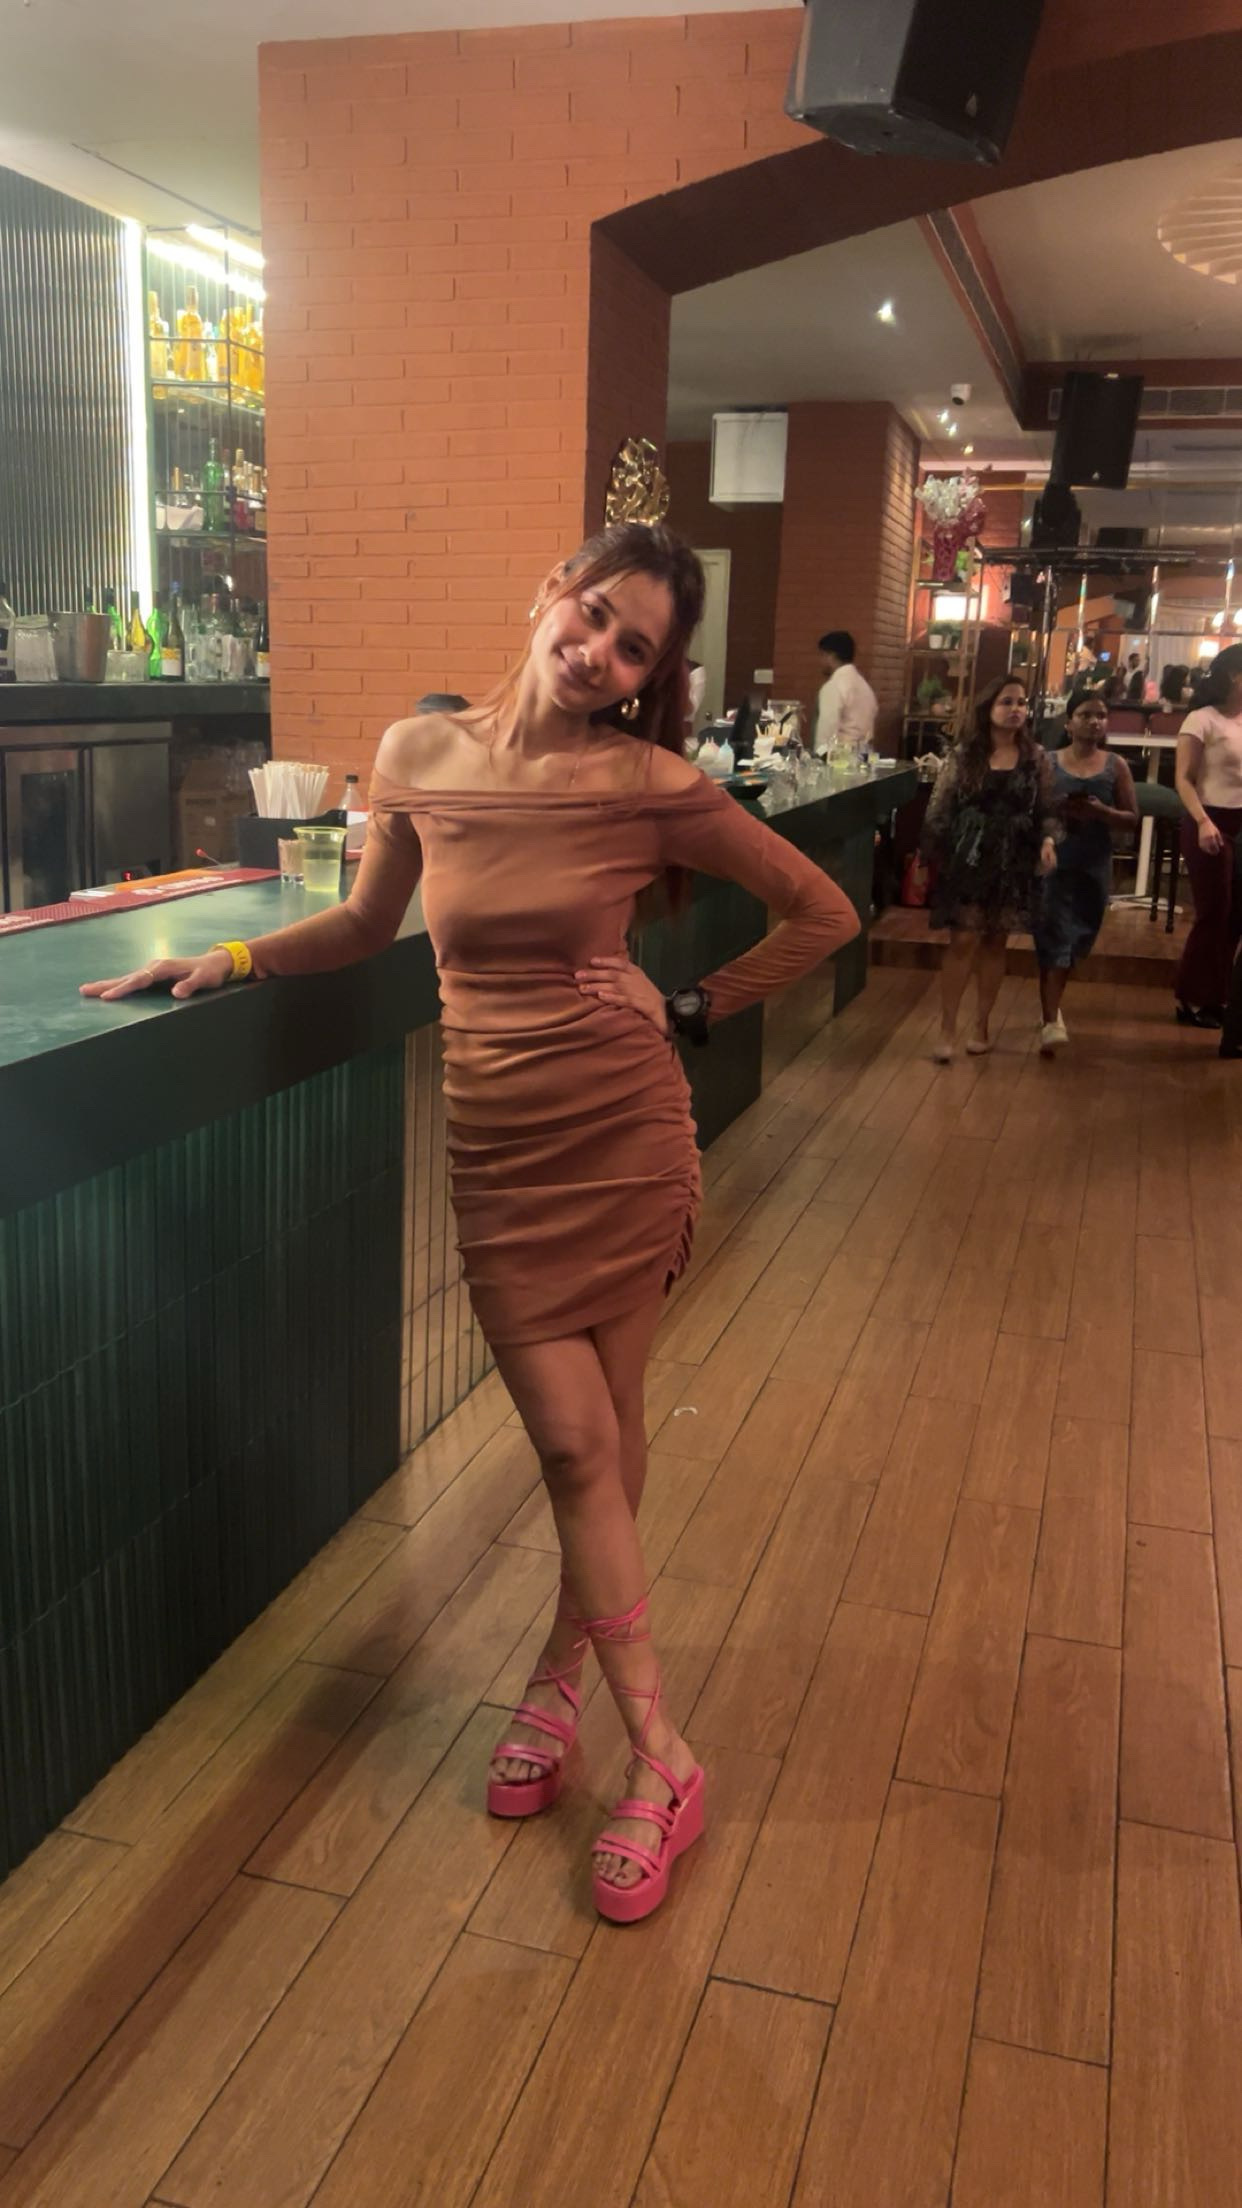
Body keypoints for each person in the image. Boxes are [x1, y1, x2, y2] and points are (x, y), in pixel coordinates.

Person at [80, 521, 859, 1924]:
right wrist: (233, 954)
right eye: (595, 614)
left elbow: (821, 913)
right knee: (581, 1446)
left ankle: (647, 1750)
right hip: (498, 1153)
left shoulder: (651, 783)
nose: (600, 652)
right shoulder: (418, 753)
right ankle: (579, 1698)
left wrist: (691, 1005)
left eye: (635, 648)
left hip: (623, 1138)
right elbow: (365, 926)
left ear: (652, 676)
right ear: (552, 592)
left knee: (591, 1445)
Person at [922, 675, 1059, 1063]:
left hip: (1014, 855)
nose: (1016, 709)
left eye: (1021, 702)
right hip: (969, 852)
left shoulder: (1036, 758)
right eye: (1006, 702)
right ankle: (947, 1027)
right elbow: (940, 807)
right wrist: (927, 856)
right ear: (988, 708)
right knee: (963, 939)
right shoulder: (964, 755)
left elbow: (1049, 807)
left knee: (997, 940)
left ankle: (982, 1024)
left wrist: (1049, 841)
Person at [1033, 688, 1137, 1053]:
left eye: (1101, 716)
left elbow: (1132, 818)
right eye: (1086, 715)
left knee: (1080, 937)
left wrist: (1102, 813)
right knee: (1054, 937)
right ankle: (1050, 1020)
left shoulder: (1115, 765)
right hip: (1054, 860)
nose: (1094, 722)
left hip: (1094, 861)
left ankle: (1051, 1008)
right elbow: (1033, 810)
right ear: (1069, 722)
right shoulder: (1047, 762)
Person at [1172, 641, 1242, 1027]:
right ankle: (1193, 997)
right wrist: (1202, 821)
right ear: (1233, 676)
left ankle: (1218, 995)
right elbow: (1183, 778)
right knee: (1214, 912)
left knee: (1237, 915)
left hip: (1240, 821)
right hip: (1209, 818)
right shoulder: (1202, 719)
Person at [814, 630, 877, 758]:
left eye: (822, 655)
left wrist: (819, 757)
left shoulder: (833, 686)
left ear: (830, 655)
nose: (820, 661)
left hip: (839, 758)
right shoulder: (864, 686)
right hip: (863, 756)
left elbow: (826, 731)